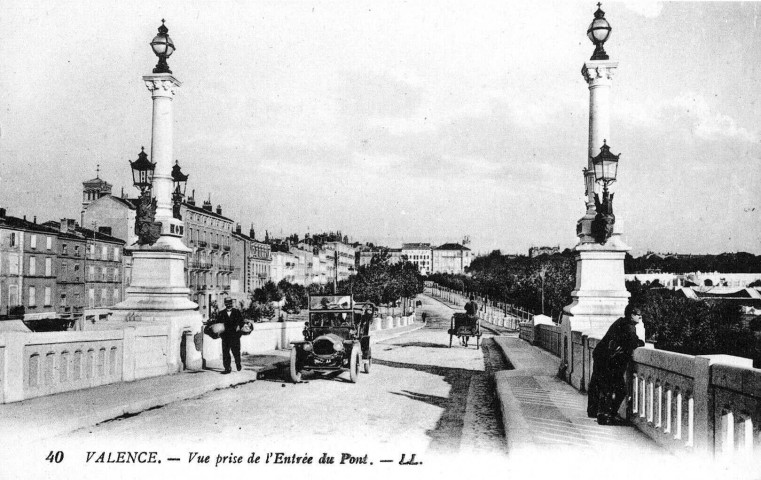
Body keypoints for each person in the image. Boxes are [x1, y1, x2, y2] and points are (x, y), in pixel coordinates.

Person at [587, 304, 645, 425]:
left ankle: (597, 412)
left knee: (600, 385)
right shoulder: (629, 326)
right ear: (631, 315)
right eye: (638, 314)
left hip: (602, 356)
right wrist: (640, 342)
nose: (640, 317)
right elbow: (634, 341)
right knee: (618, 389)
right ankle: (607, 416)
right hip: (609, 360)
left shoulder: (621, 322)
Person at [217, 297, 245, 374]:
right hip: (225, 337)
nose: (228, 304)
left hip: (235, 336)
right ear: (225, 303)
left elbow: (242, 322)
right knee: (225, 353)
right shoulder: (221, 313)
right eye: (227, 302)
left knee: (236, 352)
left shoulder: (237, 312)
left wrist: (239, 326)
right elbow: (218, 324)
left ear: (232, 303)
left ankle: (238, 363)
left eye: (230, 302)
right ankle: (227, 368)